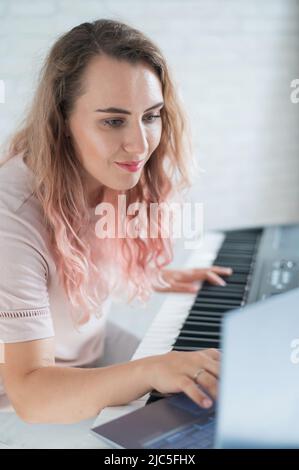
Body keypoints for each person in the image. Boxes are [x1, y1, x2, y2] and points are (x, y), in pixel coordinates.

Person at [0, 19, 232, 425]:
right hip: (23, 405)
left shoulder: (103, 171)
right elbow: (31, 396)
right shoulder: (11, 215)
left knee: (209, 393)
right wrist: (149, 369)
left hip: (91, 353)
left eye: (151, 116)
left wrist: (155, 276)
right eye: (113, 121)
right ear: (61, 121)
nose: (141, 145)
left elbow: (68, 269)